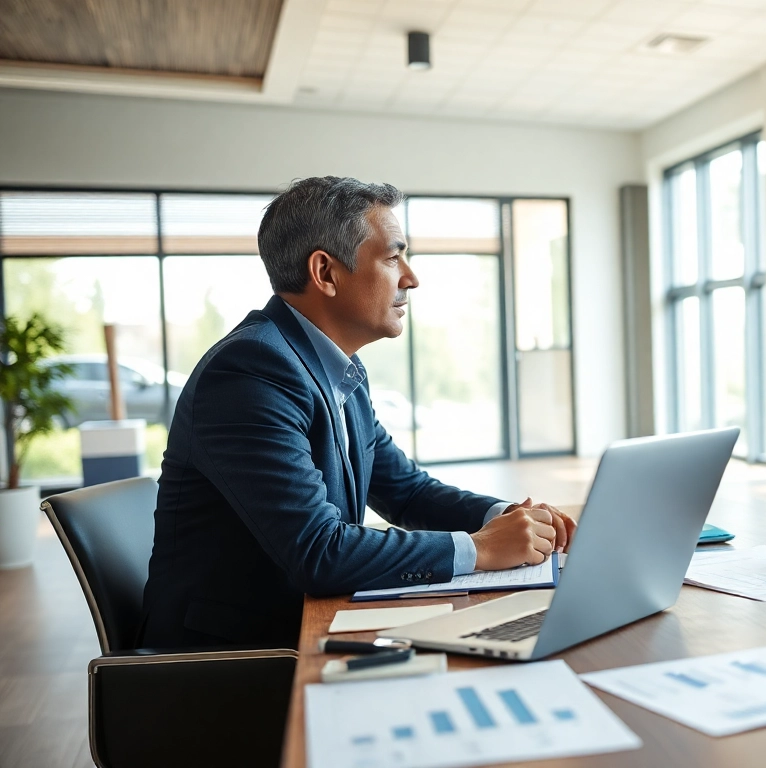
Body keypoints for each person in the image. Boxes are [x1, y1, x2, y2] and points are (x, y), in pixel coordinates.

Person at [140, 177, 576, 648]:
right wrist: (482, 548)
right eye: (392, 257)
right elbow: (318, 552)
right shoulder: (249, 373)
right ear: (325, 272)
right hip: (235, 661)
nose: (410, 277)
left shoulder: (335, 366)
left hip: (301, 626)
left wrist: (507, 516)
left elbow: (405, 492)